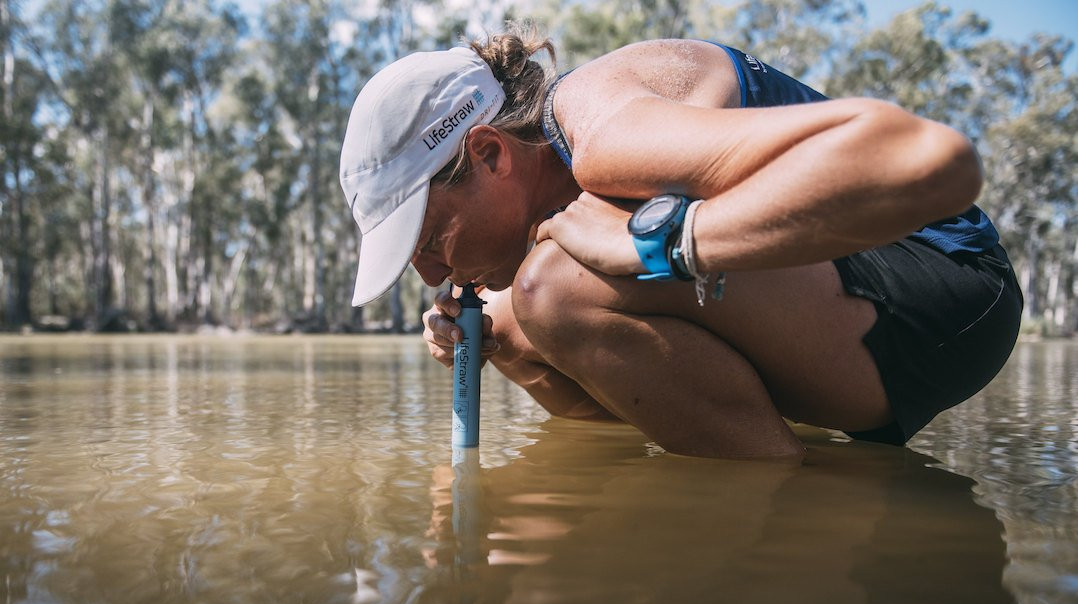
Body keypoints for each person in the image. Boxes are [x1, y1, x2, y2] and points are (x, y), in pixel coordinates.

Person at [339, 24, 1023, 460]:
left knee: (550, 291)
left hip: (952, 291)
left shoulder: (604, 134)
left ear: (490, 155)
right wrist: (496, 344)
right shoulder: (546, 209)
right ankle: (753, 490)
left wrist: (664, 245)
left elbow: (932, 161)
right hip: (849, 321)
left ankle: (781, 519)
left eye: (430, 239)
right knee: (513, 317)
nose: (431, 273)